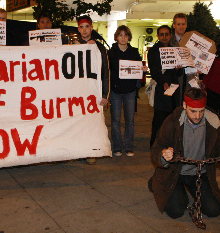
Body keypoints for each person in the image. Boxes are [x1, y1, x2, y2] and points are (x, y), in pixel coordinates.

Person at [149, 88, 220, 219]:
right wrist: (163, 155)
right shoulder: (172, 122)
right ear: (185, 105)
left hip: (200, 172)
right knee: (176, 211)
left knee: (213, 210)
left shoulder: (212, 123)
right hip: (176, 172)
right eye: (193, 111)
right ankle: (156, 182)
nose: (197, 116)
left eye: (201, 111)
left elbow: (218, 150)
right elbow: (156, 148)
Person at [75, 15, 109, 164]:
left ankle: (91, 152)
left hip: (94, 91)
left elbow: (106, 72)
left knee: (94, 123)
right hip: (78, 91)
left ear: (91, 28)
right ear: (78, 29)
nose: (84, 30)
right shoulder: (72, 46)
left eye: (86, 27)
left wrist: (105, 94)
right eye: (81, 27)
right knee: (78, 122)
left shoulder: (100, 47)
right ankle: (80, 149)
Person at [108, 25, 145, 157]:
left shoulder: (134, 52)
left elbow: (139, 67)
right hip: (116, 91)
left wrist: (143, 69)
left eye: (125, 35)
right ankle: (117, 147)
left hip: (130, 90)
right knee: (115, 120)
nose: (123, 37)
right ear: (116, 37)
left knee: (130, 120)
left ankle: (129, 147)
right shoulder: (111, 52)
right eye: (120, 35)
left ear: (129, 37)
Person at [148, 25, 180, 148]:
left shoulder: (174, 50)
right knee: (159, 118)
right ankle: (154, 144)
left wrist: (178, 69)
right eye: (162, 34)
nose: (164, 37)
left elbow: (179, 72)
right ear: (158, 36)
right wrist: (163, 83)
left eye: (167, 34)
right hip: (161, 89)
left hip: (174, 88)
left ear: (170, 35)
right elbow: (154, 70)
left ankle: (170, 144)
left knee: (172, 117)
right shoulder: (153, 50)